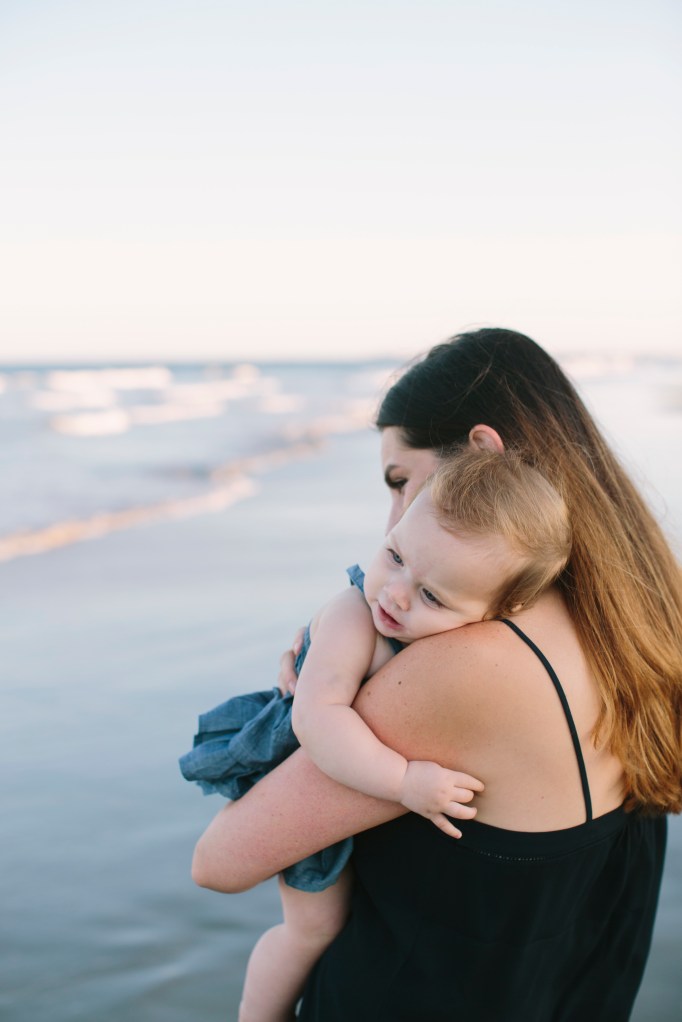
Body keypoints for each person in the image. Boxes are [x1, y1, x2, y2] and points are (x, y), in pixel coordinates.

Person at [192, 328, 682, 1022]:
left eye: (402, 481)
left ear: (481, 454)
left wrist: (332, 689)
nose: (394, 516)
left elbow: (220, 862)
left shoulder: (467, 667)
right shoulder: (638, 629)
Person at [181, 446, 571, 1022]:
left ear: (499, 611)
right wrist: (404, 780)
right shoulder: (351, 614)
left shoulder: (476, 644)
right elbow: (317, 721)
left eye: (433, 596)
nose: (395, 593)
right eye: (394, 556)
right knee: (310, 929)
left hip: (354, 790)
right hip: (301, 763)